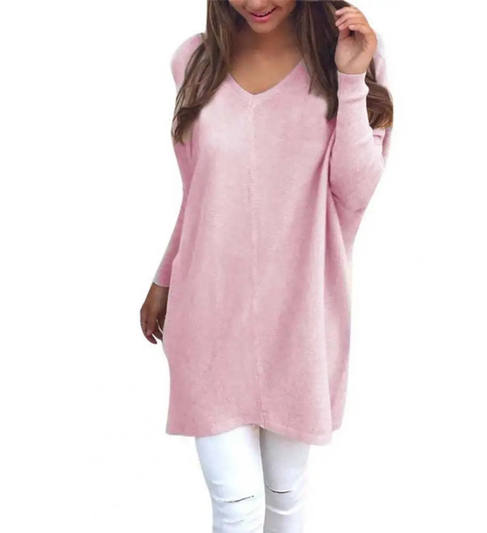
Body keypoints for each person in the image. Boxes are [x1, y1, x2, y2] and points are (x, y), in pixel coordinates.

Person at [140, 1, 393, 531]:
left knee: (284, 494)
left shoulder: (349, 56)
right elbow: (197, 193)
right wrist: (164, 277)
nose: (255, 2)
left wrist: (350, 80)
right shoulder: (195, 60)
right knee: (235, 504)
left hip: (299, 320)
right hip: (208, 310)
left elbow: (354, 191)